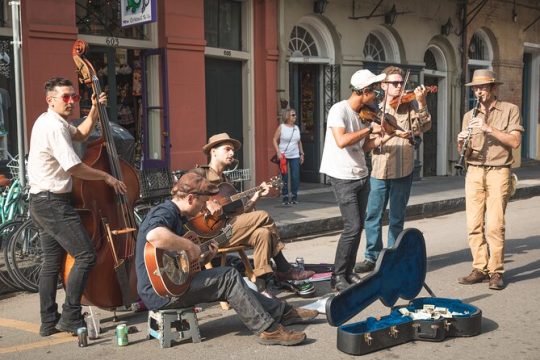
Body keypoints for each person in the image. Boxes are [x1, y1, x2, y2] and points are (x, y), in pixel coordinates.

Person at [135, 172, 318, 346]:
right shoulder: (166, 212)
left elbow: (179, 266)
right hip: (162, 294)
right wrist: (191, 246)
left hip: (172, 284)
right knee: (228, 277)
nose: (204, 207)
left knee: (231, 279)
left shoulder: (179, 217)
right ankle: (268, 330)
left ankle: (282, 312)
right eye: (203, 202)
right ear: (190, 198)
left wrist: (205, 256)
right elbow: (154, 235)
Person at [28, 77, 127, 336]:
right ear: (50, 100)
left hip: (42, 201)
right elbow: (74, 167)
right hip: (52, 203)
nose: (72, 102)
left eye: (74, 97)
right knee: (86, 255)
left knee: (51, 263)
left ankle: (48, 321)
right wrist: (106, 176)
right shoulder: (53, 127)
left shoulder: (54, 122)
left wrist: (94, 109)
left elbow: (82, 134)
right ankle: (71, 315)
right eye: (66, 97)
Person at [191, 133, 314, 294]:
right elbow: (180, 195)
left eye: (233, 150)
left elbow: (241, 215)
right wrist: (205, 203)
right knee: (263, 215)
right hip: (209, 236)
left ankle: (262, 288)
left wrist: (256, 197)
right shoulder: (199, 174)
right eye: (227, 149)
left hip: (229, 229)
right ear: (213, 152)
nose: (232, 153)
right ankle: (284, 268)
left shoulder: (227, 182)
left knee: (262, 233)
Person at [355, 66, 431, 274]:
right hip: (379, 170)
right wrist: (391, 134)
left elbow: (425, 126)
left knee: (397, 217)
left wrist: (422, 102)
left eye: (400, 83)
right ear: (383, 85)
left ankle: (393, 257)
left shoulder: (410, 106)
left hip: (403, 169)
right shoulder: (373, 109)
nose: (399, 87)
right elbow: (367, 144)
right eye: (394, 83)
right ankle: (372, 257)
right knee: (373, 216)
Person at [456, 69, 523, 290]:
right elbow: (464, 153)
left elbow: (514, 142)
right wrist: (460, 143)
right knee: (473, 224)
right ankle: (479, 268)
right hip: (474, 170)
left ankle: (496, 271)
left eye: (483, 87)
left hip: (498, 170)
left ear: (493, 88)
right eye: (476, 88)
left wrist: (488, 128)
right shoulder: (469, 115)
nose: (479, 91)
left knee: (495, 225)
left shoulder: (510, 110)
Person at [319, 69, 386, 291]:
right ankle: (337, 276)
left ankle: (348, 271)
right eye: (374, 91)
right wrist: (368, 130)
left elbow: (362, 147)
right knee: (352, 226)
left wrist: (382, 137)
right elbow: (341, 141)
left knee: (358, 228)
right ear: (364, 92)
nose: (376, 95)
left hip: (360, 174)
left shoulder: (362, 114)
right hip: (342, 176)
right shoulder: (339, 110)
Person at [272, 108, 304, 205]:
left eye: (295, 115)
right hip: (283, 156)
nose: (295, 116)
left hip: (295, 155)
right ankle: (285, 196)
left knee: (295, 176)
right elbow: (274, 139)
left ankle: (294, 195)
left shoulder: (296, 128)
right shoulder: (282, 127)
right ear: (287, 116)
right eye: (293, 115)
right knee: (284, 177)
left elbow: (299, 141)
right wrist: (278, 152)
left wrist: (302, 154)